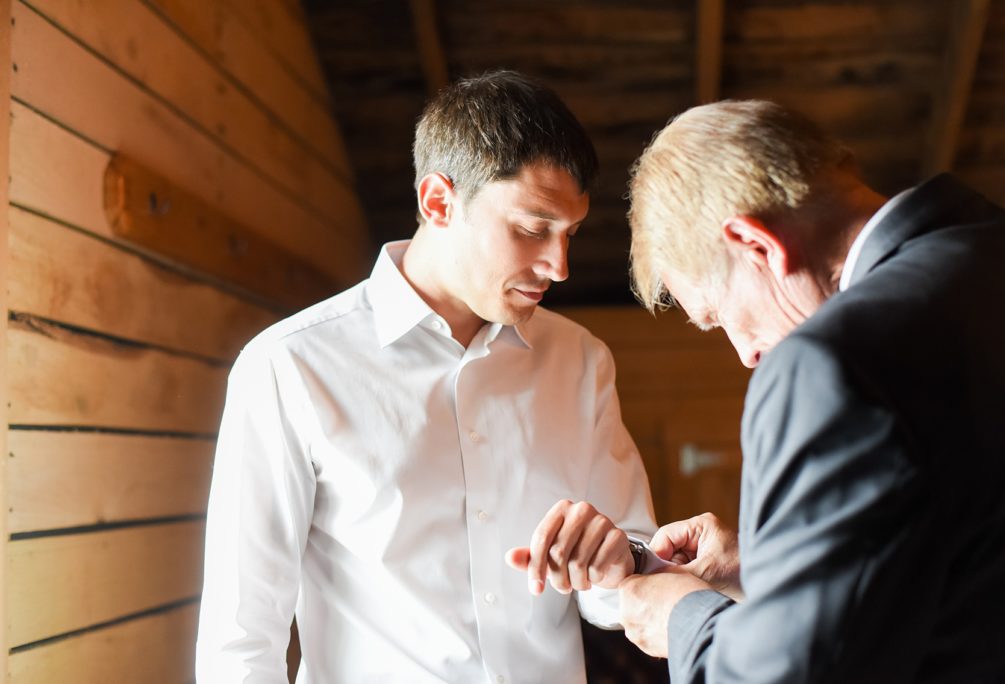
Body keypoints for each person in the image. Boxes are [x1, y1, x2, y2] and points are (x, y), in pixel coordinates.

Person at [194, 70, 658, 683]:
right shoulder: (290, 366)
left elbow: (619, 589)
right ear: (438, 202)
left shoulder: (582, 361)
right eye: (531, 228)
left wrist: (617, 560)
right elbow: (241, 635)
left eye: (569, 234)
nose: (560, 266)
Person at [617, 100, 1005, 682]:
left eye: (719, 316)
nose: (746, 354)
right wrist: (771, 566)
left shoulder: (829, 365)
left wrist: (682, 619)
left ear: (756, 246)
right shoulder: (1001, 254)